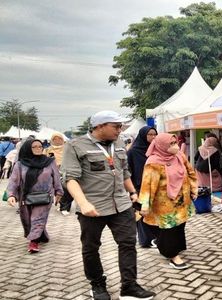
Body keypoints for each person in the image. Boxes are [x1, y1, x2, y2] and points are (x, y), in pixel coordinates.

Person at [61, 110, 155, 300]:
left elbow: (124, 172)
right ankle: (97, 285)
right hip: (92, 207)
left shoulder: (119, 144)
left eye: (121, 126)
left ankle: (129, 287)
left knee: (128, 244)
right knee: (91, 247)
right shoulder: (75, 146)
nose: (120, 130)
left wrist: (133, 193)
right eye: (116, 126)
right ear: (99, 126)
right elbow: (70, 178)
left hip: (121, 205)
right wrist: (83, 203)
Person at [139, 133, 197, 270]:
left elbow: (190, 172)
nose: (174, 146)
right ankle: (172, 255)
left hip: (182, 199)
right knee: (168, 228)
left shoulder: (179, 156)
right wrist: (145, 204)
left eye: (174, 142)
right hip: (164, 203)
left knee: (179, 225)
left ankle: (175, 246)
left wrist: (194, 188)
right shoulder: (153, 162)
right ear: (161, 146)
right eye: (170, 144)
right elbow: (147, 185)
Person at [6, 139, 63, 253]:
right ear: (28, 148)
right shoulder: (20, 164)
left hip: (44, 196)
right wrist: (11, 195)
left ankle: (33, 242)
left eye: (40, 146)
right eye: (34, 147)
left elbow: (56, 178)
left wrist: (59, 192)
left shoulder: (49, 162)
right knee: (27, 220)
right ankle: (42, 235)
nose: (38, 149)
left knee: (38, 218)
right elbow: (14, 181)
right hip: (26, 197)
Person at [127, 126, 159, 248]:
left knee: (155, 211)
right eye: (150, 135)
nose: (153, 137)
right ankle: (145, 240)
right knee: (143, 212)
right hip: (140, 187)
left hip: (156, 186)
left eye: (155, 134)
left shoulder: (158, 150)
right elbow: (128, 171)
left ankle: (156, 238)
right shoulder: (133, 151)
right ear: (143, 136)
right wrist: (132, 190)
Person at [45, 132, 73, 216]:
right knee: (58, 190)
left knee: (67, 190)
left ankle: (65, 207)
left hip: (66, 172)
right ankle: (62, 206)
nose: (57, 141)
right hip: (53, 173)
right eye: (55, 139)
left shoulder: (68, 149)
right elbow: (44, 160)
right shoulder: (48, 150)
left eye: (59, 139)